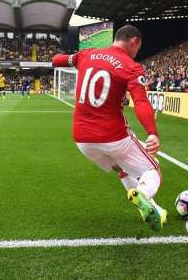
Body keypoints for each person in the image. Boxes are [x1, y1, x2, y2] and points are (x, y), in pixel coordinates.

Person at [51, 24, 166, 231]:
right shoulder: (131, 67)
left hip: (82, 140)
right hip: (112, 136)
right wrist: (152, 133)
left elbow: (57, 60)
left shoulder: (87, 54)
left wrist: (63, 59)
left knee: (121, 168)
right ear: (134, 42)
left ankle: (149, 208)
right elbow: (140, 102)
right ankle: (144, 194)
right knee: (153, 169)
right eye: (137, 48)